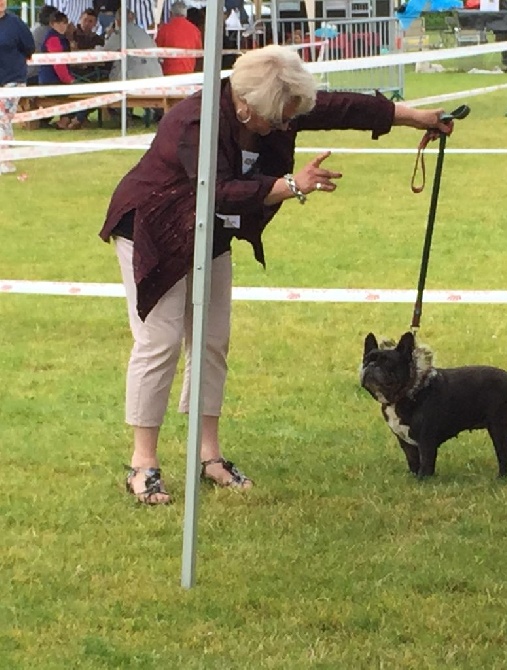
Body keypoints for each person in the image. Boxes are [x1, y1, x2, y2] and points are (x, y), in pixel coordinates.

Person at [98, 44, 454, 505]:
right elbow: (219, 191)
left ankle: (210, 456)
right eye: (279, 118)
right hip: (153, 228)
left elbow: (342, 106)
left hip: (209, 234)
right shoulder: (195, 122)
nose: (286, 125)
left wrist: (416, 117)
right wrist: (289, 186)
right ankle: (143, 465)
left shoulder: (275, 103)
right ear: (245, 106)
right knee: (159, 341)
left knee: (212, 339)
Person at [0, 0, 35, 174]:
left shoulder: (15, 24)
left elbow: (29, 47)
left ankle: (6, 161)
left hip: (13, 79)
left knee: (2, 117)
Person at [38, 10, 88, 129]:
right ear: (52, 24)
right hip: (51, 81)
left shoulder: (60, 37)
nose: (62, 26)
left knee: (83, 90)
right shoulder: (53, 39)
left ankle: (65, 120)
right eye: (58, 23)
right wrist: (69, 80)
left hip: (54, 79)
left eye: (65, 23)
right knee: (86, 93)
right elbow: (58, 64)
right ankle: (75, 120)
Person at [105, 9, 162, 81]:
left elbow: (105, 50)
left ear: (117, 21)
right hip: (156, 74)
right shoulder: (143, 33)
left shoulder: (120, 34)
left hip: (136, 76)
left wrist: (108, 36)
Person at [155, 1, 203, 76]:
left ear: (171, 13)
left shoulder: (164, 29)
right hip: (189, 74)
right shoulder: (195, 30)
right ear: (186, 14)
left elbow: (156, 51)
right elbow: (199, 53)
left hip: (168, 74)